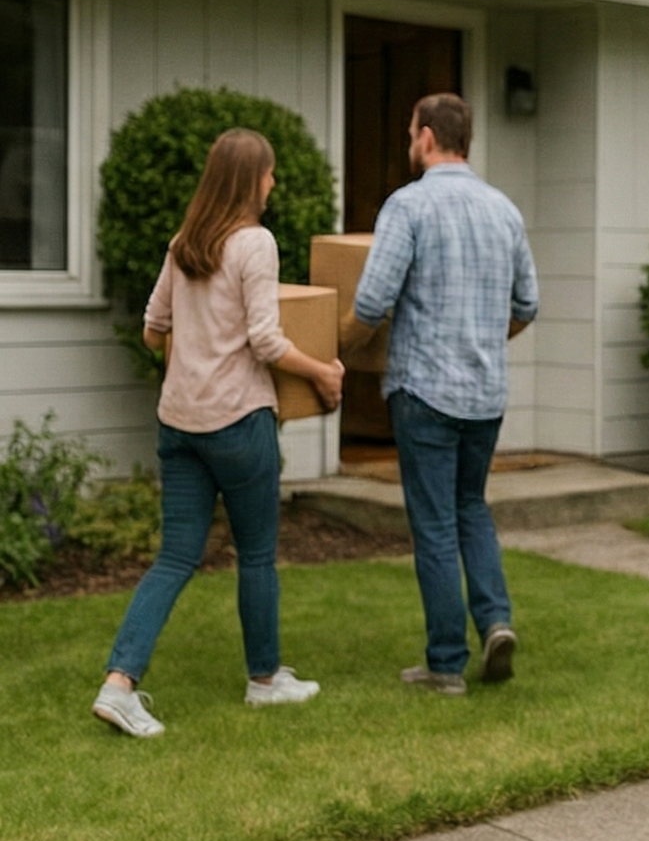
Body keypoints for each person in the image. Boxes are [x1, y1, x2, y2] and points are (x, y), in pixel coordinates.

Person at [92, 128, 346, 738]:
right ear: (247, 180)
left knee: (176, 556)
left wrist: (196, 350)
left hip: (179, 425)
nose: (274, 183)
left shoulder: (185, 244)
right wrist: (323, 372)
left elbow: (155, 330)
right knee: (256, 554)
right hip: (238, 423)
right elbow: (264, 338)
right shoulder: (255, 244)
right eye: (269, 173)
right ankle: (264, 680)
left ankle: (119, 684)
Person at [344, 93, 537, 697]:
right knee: (471, 509)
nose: (409, 143)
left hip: (424, 390)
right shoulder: (503, 210)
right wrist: (484, 338)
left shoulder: (409, 206)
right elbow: (527, 306)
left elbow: (372, 301)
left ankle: (446, 664)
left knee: (432, 526)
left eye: (410, 133)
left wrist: (338, 351)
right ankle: (496, 622)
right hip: (484, 394)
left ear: (427, 137)